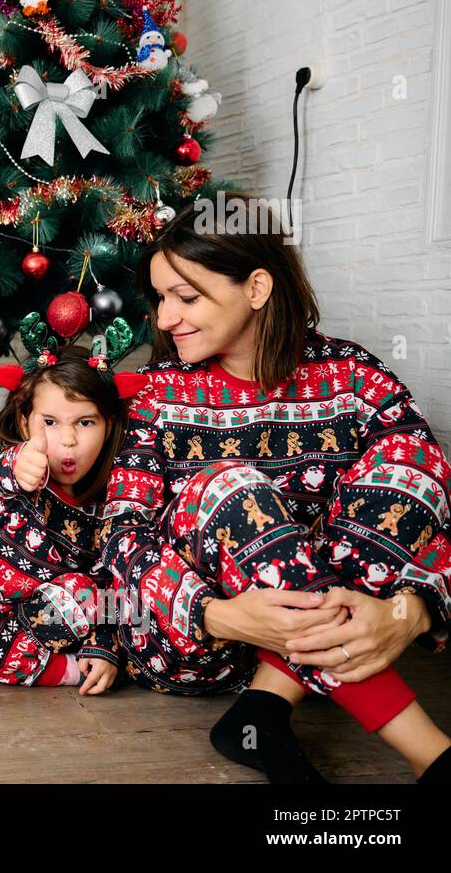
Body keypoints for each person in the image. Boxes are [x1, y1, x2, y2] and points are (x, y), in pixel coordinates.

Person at [100, 193, 451, 783]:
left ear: (257, 288)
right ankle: (432, 753)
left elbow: (433, 508)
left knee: (412, 463)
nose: (164, 320)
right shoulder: (163, 394)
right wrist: (216, 615)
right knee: (231, 486)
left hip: (329, 633)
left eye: (185, 298)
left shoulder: (355, 376)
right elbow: (120, 541)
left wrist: (411, 609)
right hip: (197, 642)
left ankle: (265, 704)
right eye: (161, 299)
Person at [0, 344, 145, 693]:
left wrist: (103, 647)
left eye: (85, 423)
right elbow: (11, 474)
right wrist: (22, 461)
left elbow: (109, 582)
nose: (68, 440)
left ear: (109, 424)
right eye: (50, 423)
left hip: (53, 619)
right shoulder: (17, 472)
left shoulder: (111, 503)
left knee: (88, 592)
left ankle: (0, 657)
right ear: (25, 422)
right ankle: (58, 669)